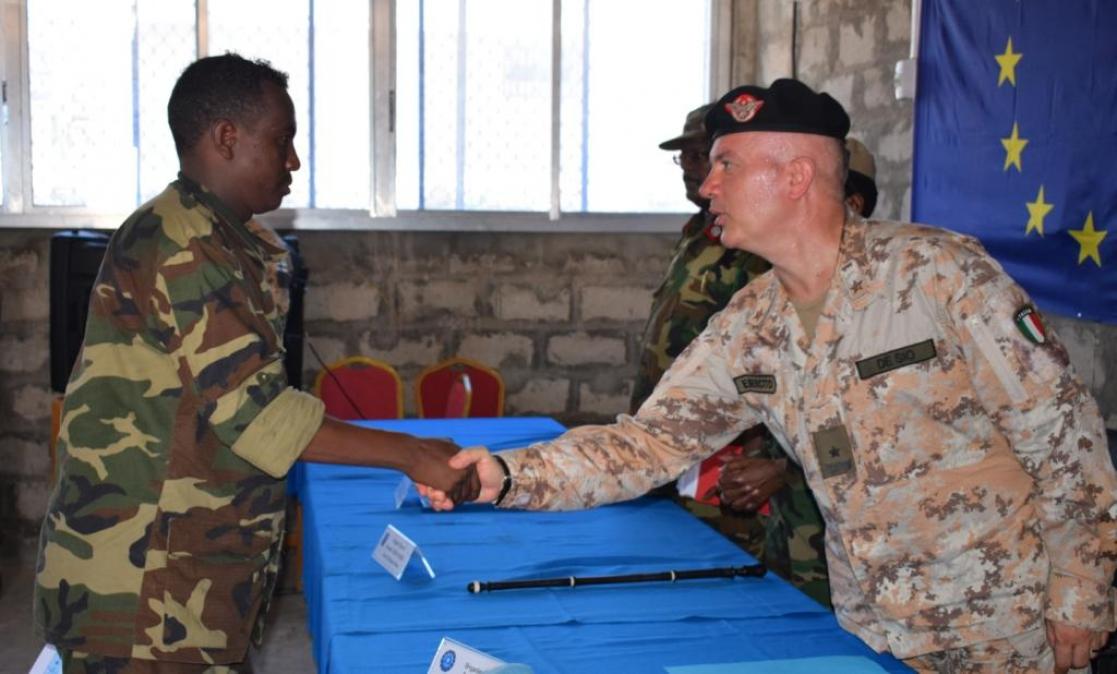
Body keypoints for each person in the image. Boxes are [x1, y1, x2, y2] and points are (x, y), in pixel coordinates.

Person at [424, 79, 1117, 672]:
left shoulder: (939, 276)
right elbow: (646, 445)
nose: (705, 184)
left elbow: (1065, 441)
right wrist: (507, 475)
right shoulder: (750, 322)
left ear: (794, 176)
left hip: (999, 629)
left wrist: (1082, 596)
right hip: (873, 630)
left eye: (725, 164)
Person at [33, 53, 476, 673]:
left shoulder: (228, 240)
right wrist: (412, 452)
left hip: (183, 577)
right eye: (283, 141)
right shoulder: (182, 245)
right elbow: (259, 416)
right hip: (139, 591)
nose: (294, 161)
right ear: (226, 139)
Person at [717, 136, 880, 608]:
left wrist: (783, 468)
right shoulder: (764, 299)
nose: (711, 186)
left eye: (729, 167)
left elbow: (894, 437)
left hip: (887, 565)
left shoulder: (908, 290)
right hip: (795, 531)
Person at [632, 103, 772, 557]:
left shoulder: (755, 246)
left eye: (702, 157)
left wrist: (768, 460)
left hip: (726, 455)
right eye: (686, 158)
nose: (691, 171)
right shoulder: (698, 231)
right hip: (674, 436)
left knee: (722, 563)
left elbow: (772, 362)